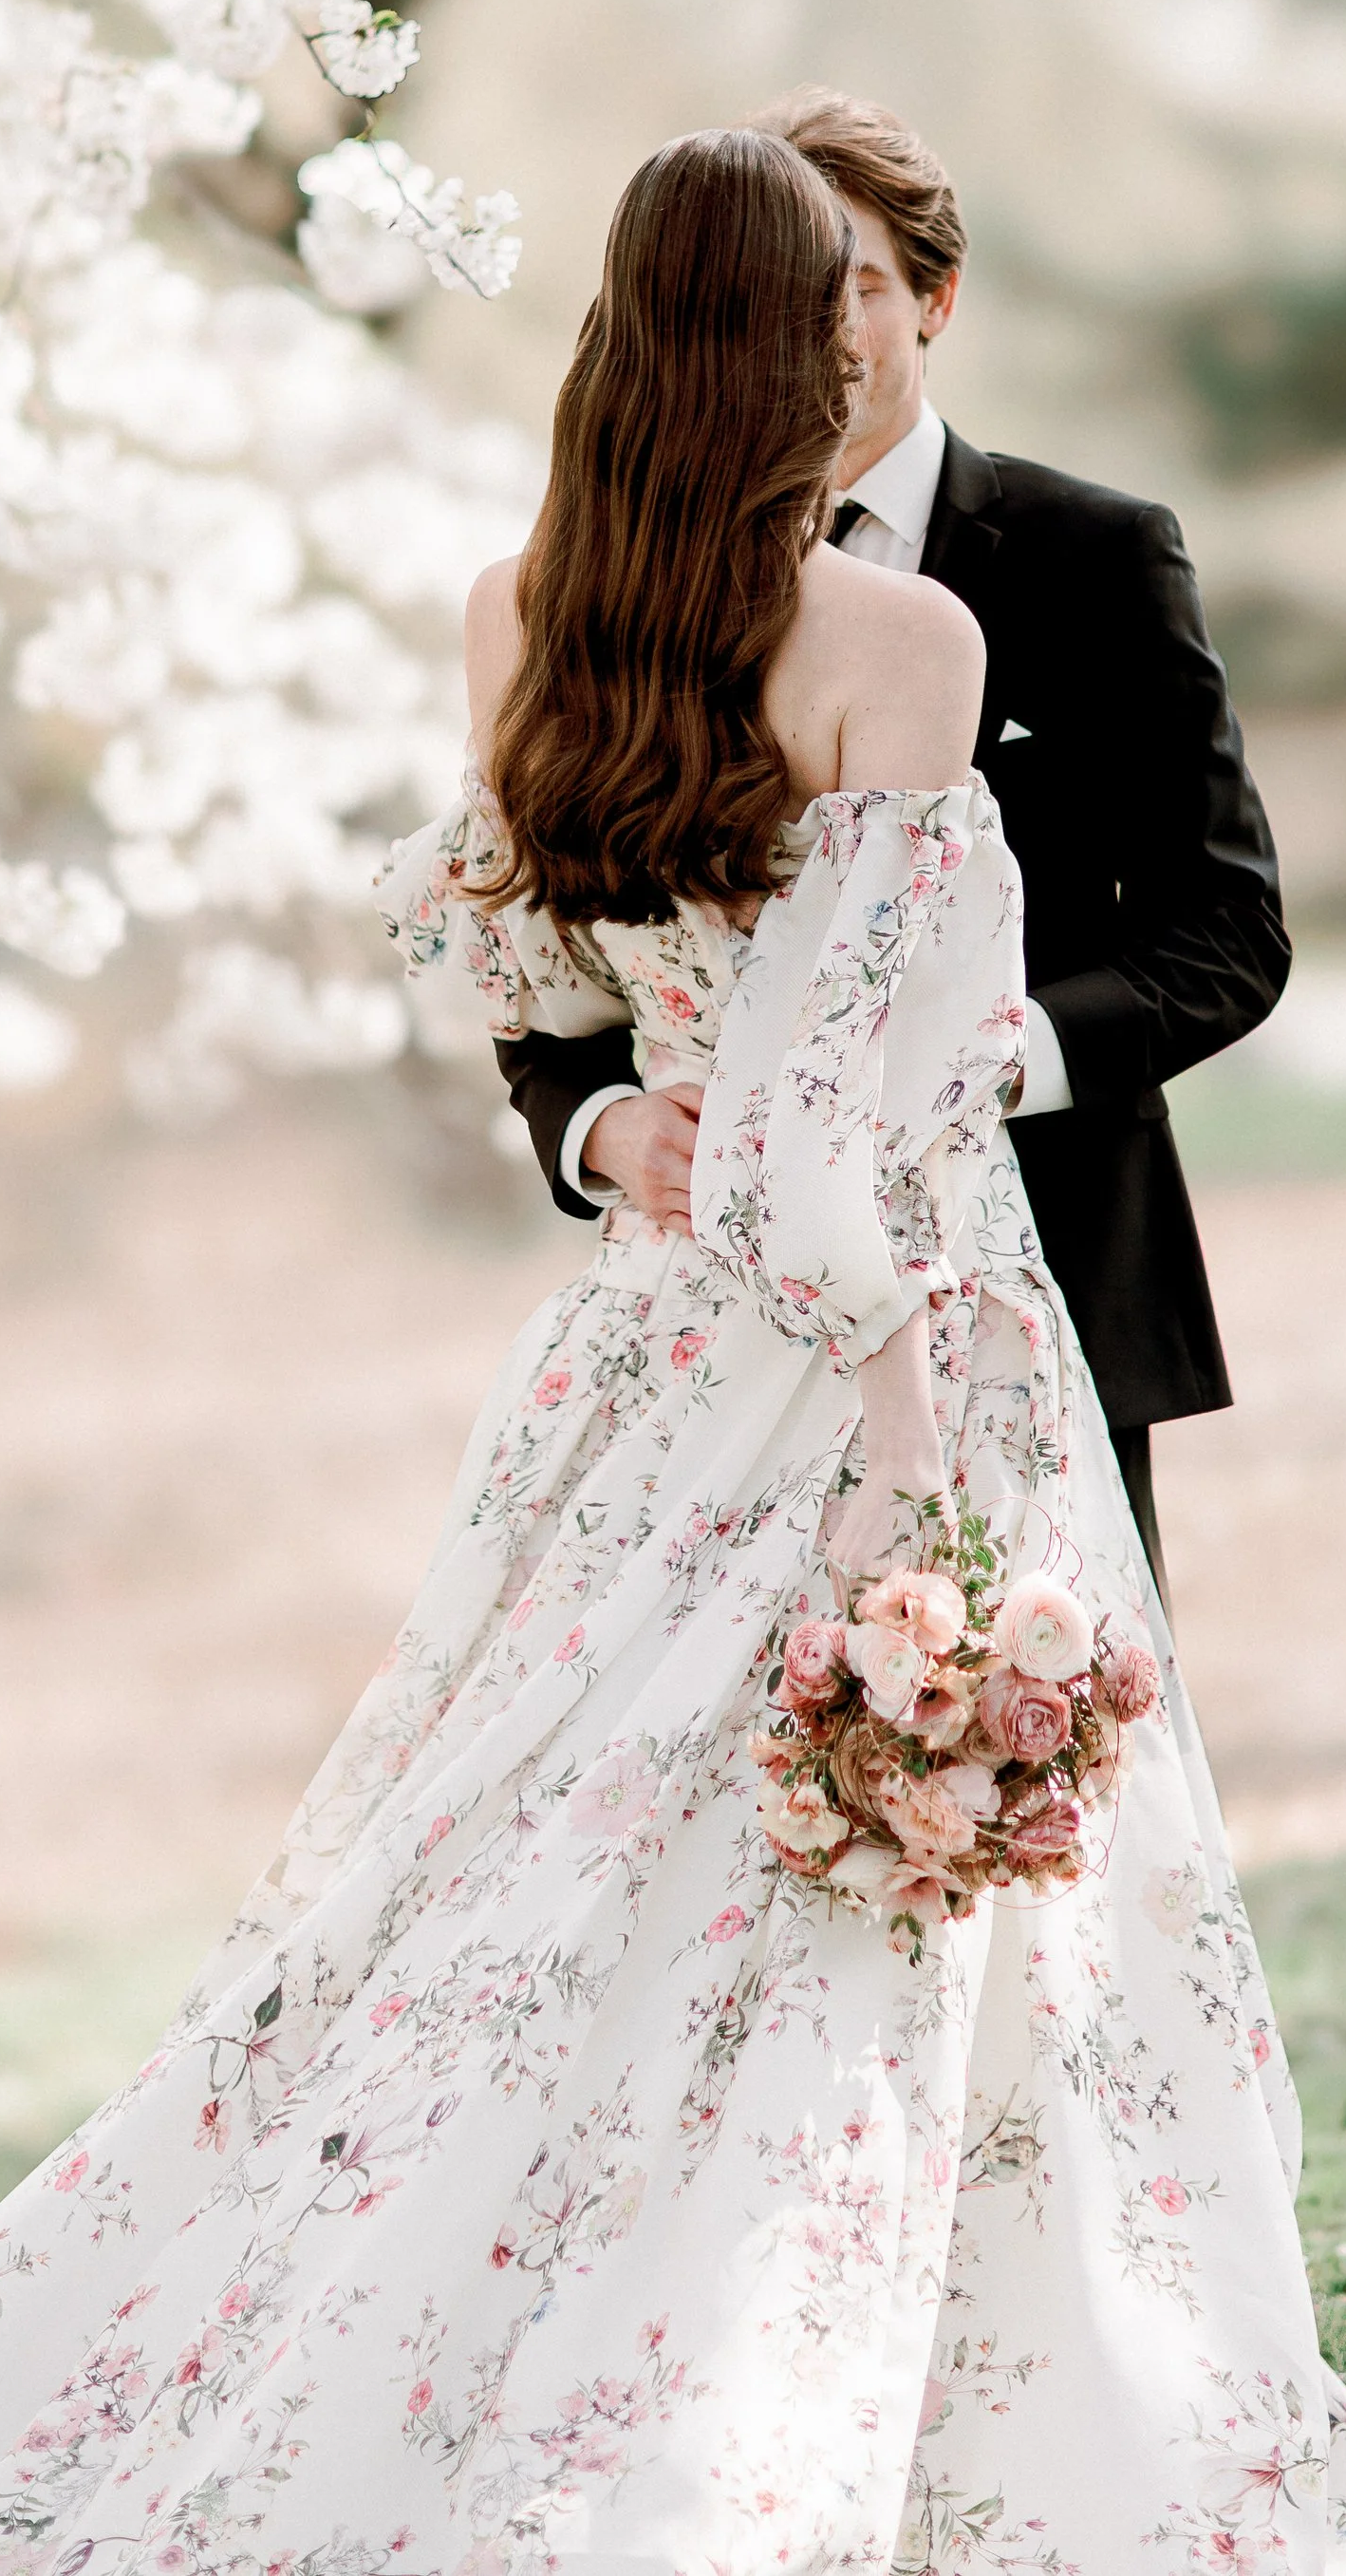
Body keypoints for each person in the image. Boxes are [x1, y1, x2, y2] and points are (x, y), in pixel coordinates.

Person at [0, 131, 1346, 2576]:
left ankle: (757, 2350)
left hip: (643, 1376)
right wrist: (882, 1439)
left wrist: (669, 1150)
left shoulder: (517, 620)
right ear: (819, 334)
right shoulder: (899, 656)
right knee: (888, 1862)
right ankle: (779, 2390)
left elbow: (535, 966)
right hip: (885, 1332)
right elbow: (765, 1135)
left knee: (552, 1867)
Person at [495, 89, 1289, 1605]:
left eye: (853, 280)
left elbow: (1230, 932)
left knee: (1037, 1757)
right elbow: (548, 945)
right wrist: (598, 1128)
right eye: (776, 289)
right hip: (713, 1305)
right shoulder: (611, 601)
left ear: (934, 297)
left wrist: (982, 1057)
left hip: (1038, 1261)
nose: (820, 327)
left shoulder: (1097, 557)